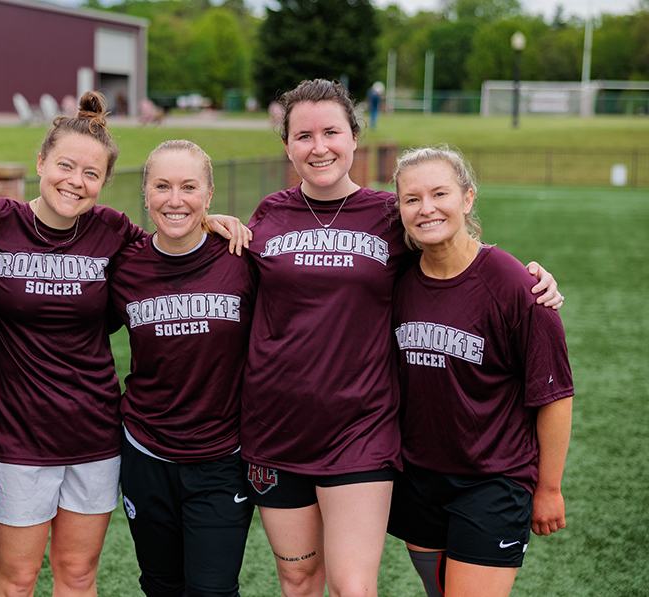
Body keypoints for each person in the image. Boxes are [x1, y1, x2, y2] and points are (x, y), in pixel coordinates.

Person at [0, 92, 250, 597]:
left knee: (78, 577)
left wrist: (214, 221)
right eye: (64, 165)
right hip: (14, 438)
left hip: (96, 436)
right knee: (16, 582)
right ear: (41, 162)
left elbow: (172, 236)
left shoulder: (113, 231)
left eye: (91, 173)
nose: (74, 182)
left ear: (105, 182)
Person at [238, 79, 562, 597]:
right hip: (275, 429)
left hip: (361, 430)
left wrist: (532, 279)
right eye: (303, 136)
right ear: (287, 145)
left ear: (353, 138)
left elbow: (455, 249)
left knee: (354, 587)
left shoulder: (390, 215)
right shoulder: (267, 216)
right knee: (297, 580)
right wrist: (208, 223)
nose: (318, 146)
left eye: (331, 132)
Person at [388, 146, 573, 597]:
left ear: (468, 198)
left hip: (493, 481)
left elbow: (553, 395)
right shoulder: (394, 280)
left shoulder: (515, 286)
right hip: (417, 478)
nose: (426, 208)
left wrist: (548, 488)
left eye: (439, 193)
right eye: (412, 199)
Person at [107, 140, 257, 596]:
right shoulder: (125, 266)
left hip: (222, 458)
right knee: (161, 585)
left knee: (212, 590)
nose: (176, 200)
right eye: (163, 187)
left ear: (209, 195)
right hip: (146, 454)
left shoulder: (243, 258)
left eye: (189, 187)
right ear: (146, 195)